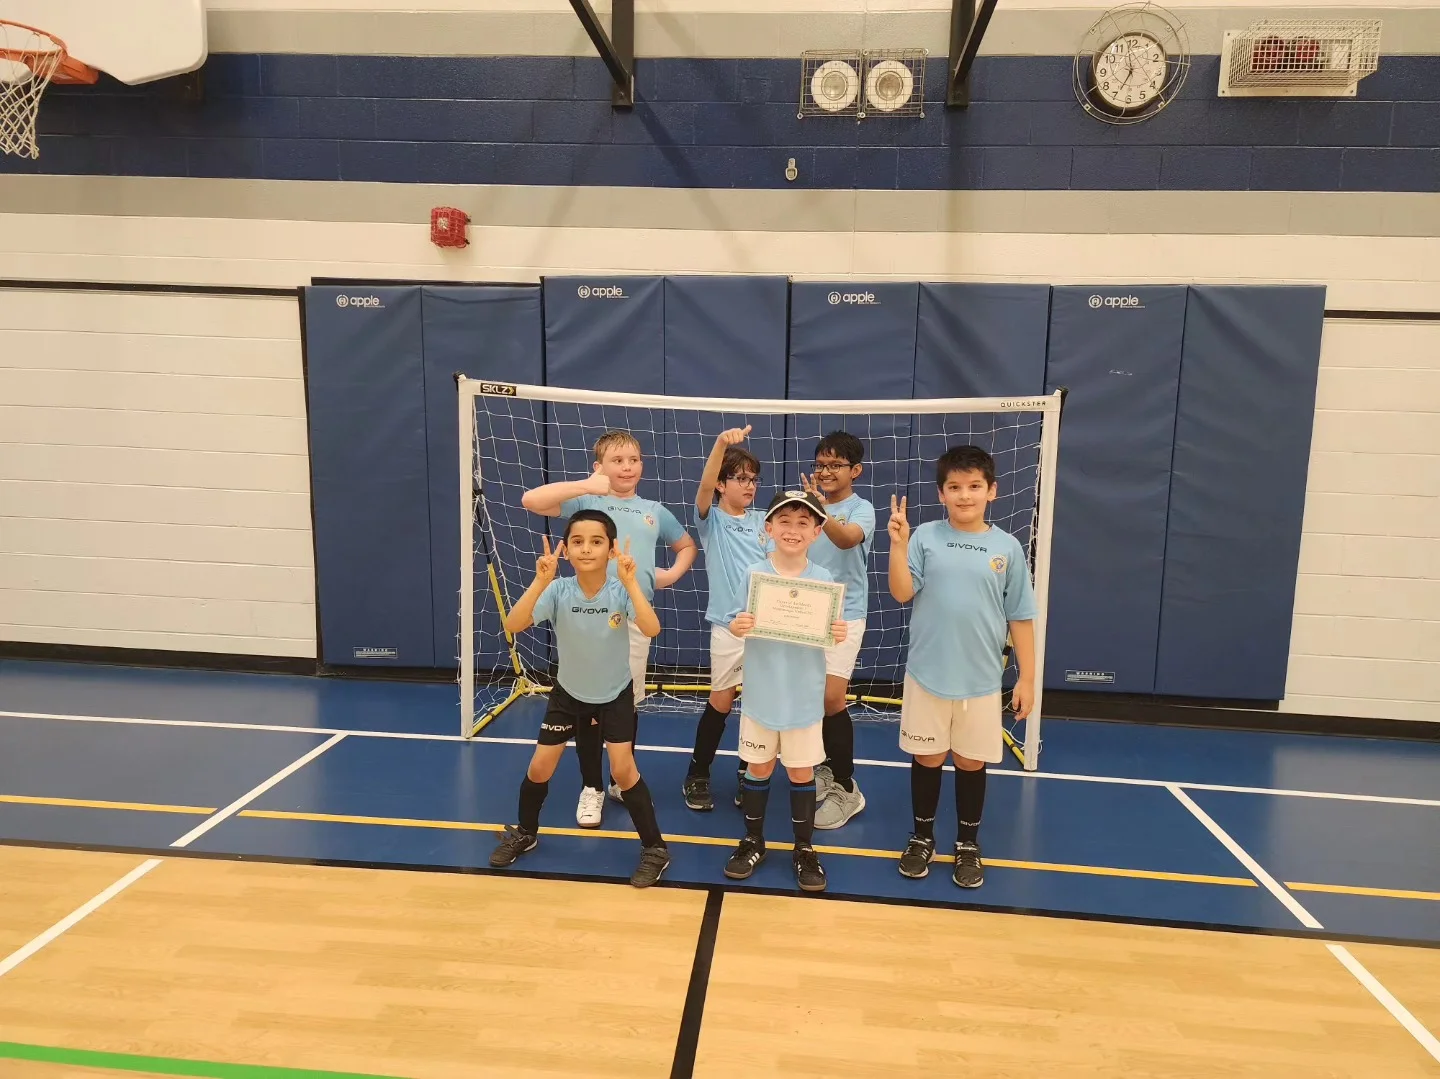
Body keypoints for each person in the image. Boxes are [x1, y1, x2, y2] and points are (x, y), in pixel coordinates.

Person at [521, 430, 697, 828]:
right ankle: (591, 787)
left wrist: (664, 576)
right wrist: (588, 484)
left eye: (634, 459)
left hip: (631, 618)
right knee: (587, 704)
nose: (628, 467)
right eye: (617, 460)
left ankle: (621, 778)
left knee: (624, 702)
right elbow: (532, 501)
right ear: (600, 467)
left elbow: (686, 545)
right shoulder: (588, 501)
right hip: (585, 617)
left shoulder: (654, 509)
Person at [488, 510, 671, 888]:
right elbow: (513, 624)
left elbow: (651, 628)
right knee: (540, 767)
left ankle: (655, 848)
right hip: (568, 694)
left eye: (596, 541)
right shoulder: (558, 590)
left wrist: (632, 582)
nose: (586, 548)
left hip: (614, 694)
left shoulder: (620, 590)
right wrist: (540, 582)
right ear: (567, 551)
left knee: (622, 770)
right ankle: (526, 832)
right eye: (577, 541)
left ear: (610, 549)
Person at [887, 445, 1037, 889]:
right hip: (927, 673)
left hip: (981, 679)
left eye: (974, 487)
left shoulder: (1006, 547)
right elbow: (900, 593)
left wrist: (1026, 678)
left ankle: (968, 843)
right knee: (928, 756)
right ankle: (922, 837)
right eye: (955, 487)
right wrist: (897, 545)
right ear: (942, 493)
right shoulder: (925, 537)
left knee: (971, 762)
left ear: (992, 491)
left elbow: (1021, 616)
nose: (964, 495)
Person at [723, 489, 848, 893]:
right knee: (758, 769)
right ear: (769, 527)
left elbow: (829, 631)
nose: (793, 530)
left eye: (803, 523)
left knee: (800, 771)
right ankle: (753, 841)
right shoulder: (754, 574)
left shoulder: (824, 580)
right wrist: (737, 625)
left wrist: (836, 631)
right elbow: (734, 617)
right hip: (762, 694)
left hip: (803, 696)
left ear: (816, 532)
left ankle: (803, 848)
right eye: (785, 521)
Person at [683, 425, 767, 812]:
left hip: (768, 627)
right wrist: (719, 443)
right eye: (740, 479)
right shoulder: (710, 520)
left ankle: (749, 771)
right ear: (721, 484)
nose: (749, 486)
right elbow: (701, 490)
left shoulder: (766, 520)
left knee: (759, 703)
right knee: (722, 700)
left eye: (754, 479)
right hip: (728, 626)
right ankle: (698, 773)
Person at [800, 431, 874, 830]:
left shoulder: (862, 509)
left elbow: (845, 541)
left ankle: (847, 786)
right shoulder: (809, 509)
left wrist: (819, 508)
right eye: (821, 464)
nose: (826, 471)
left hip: (845, 614)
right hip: (806, 611)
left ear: (855, 471)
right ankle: (823, 769)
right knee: (811, 698)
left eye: (835, 465)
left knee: (832, 697)